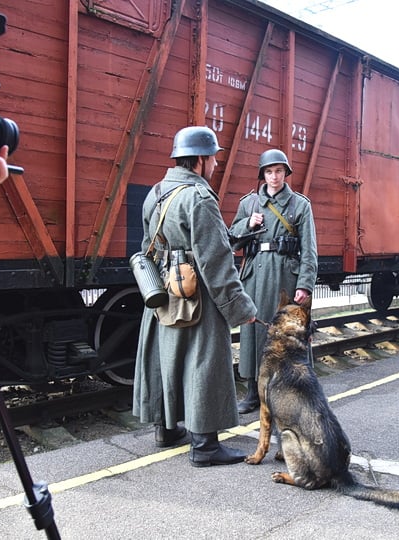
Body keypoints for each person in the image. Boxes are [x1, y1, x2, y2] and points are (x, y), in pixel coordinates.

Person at [131, 126, 257, 467]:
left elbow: (147, 247)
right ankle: (205, 446)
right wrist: (240, 308)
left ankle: (166, 430)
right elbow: (217, 262)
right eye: (213, 158)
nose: (215, 164)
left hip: (163, 292)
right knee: (204, 362)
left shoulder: (156, 192)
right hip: (196, 294)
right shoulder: (199, 198)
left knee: (165, 359)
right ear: (200, 160)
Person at [229, 148, 318, 414]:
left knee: (287, 335)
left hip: (284, 278)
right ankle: (252, 392)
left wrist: (304, 284)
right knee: (253, 333)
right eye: (269, 172)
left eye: (279, 171)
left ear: (285, 173)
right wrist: (248, 224)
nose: (274, 177)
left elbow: (309, 249)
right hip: (254, 276)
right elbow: (231, 240)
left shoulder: (300, 205)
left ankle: (289, 391)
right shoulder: (249, 204)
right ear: (263, 174)